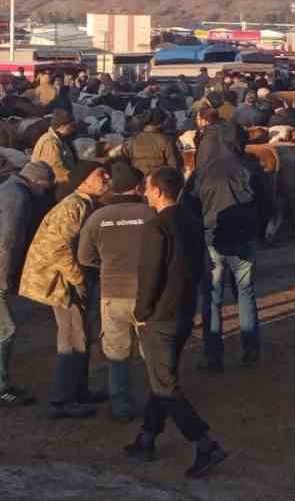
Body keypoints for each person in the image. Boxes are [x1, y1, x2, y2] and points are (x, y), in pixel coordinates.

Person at [125, 166, 228, 477]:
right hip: (183, 311)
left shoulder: (157, 226)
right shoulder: (191, 220)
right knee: (163, 377)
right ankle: (147, 437)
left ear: (157, 191)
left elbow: (150, 275)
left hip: (160, 316)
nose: (143, 193)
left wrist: (141, 312)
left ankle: (205, 443)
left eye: (146, 188)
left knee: (165, 384)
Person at [20, 165, 112, 418]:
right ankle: (62, 400)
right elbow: (60, 249)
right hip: (61, 283)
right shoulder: (74, 206)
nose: (107, 178)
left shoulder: (85, 204)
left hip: (68, 280)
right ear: (83, 180)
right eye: (100, 174)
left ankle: (79, 391)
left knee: (80, 335)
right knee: (72, 340)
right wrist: (80, 280)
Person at [76, 163, 152, 421]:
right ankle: (160, 401)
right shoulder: (151, 214)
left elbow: (84, 257)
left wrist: (108, 264)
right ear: (139, 186)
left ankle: (121, 407)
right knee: (151, 351)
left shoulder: (97, 217)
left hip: (112, 292)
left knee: (116, 353)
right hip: (147, 292)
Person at [190, 123, 260, 370]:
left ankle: (213, 355)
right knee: (245, 292)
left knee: (212, 297)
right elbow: (268, 201)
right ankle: (250, 350)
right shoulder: (251, 167)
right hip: (244, 238)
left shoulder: (203, 171)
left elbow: (191, 205)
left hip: (213, 239)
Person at [0, 161, 55, 407]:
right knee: (6, 330)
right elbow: (8, 242)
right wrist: (5, 278)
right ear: (38, 183)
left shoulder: (9, 188)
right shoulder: (19, 199)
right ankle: (2, 388)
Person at [31, 110, 79, 199]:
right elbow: (59, 173)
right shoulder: (50, 143)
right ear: (62, 126)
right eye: (72, 126)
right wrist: (80, 179)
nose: (73, 129)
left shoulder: (62, 140)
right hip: (49, 190)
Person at [126, 113, 182, 179]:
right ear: (161, 123)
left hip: (138, 181)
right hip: (158, 181)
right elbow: (173, 165)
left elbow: (125, 161)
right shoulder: (166, 140)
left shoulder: (132, 140)